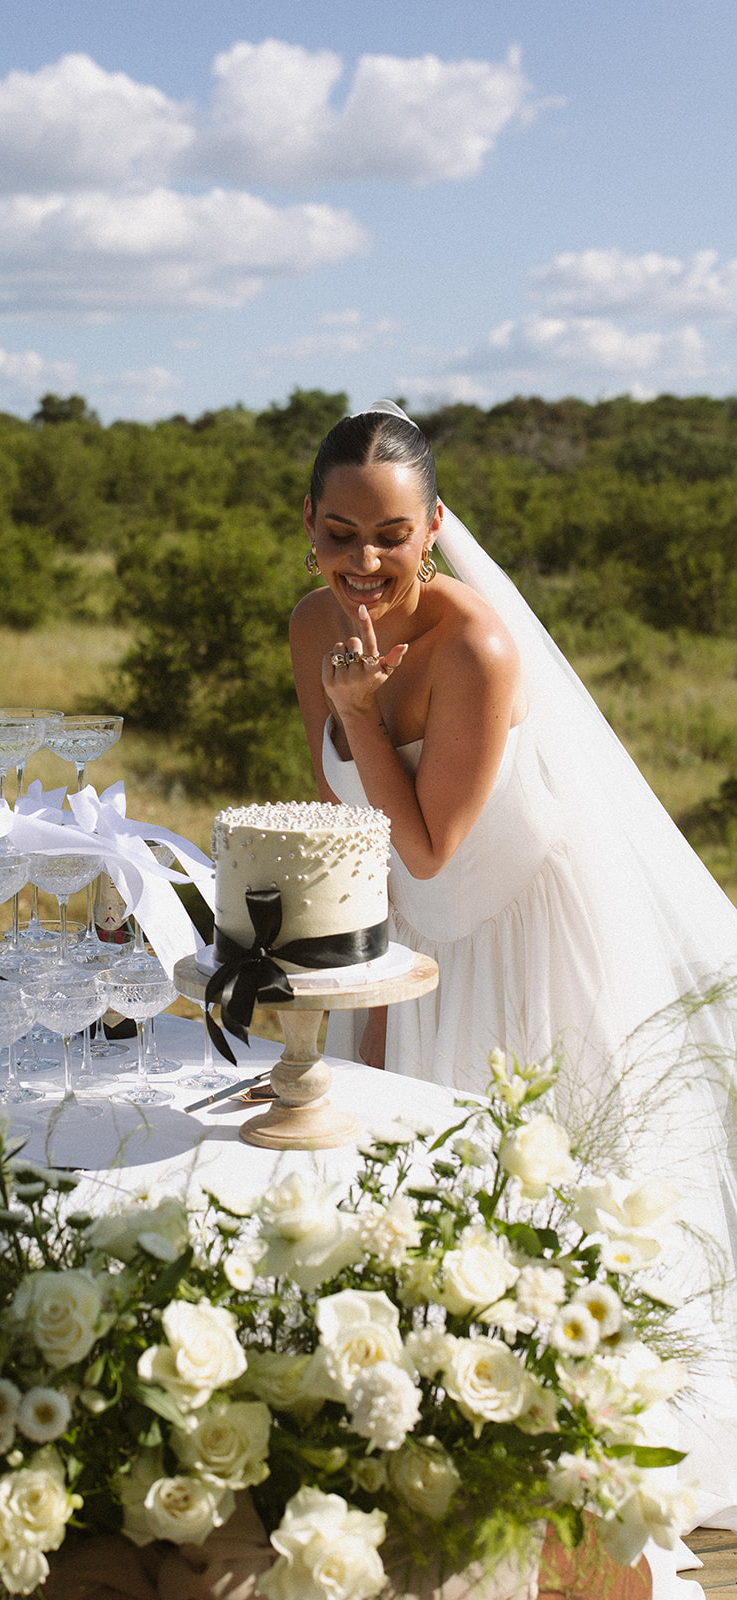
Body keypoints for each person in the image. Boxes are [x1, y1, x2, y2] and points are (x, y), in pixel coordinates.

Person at [289, 401, 737, 1543]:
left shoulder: (475, 646)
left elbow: (431, 845)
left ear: (432, 525)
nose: (364, 561)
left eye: (389, 533)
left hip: (517, 929)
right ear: (309, 529)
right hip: (413, 924)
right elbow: (359, 834)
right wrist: (352, 993)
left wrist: (356, 714)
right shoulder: (312, 629)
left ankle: (568, 1473)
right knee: (387, 1189)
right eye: (340, 534)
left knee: (533, 1195)